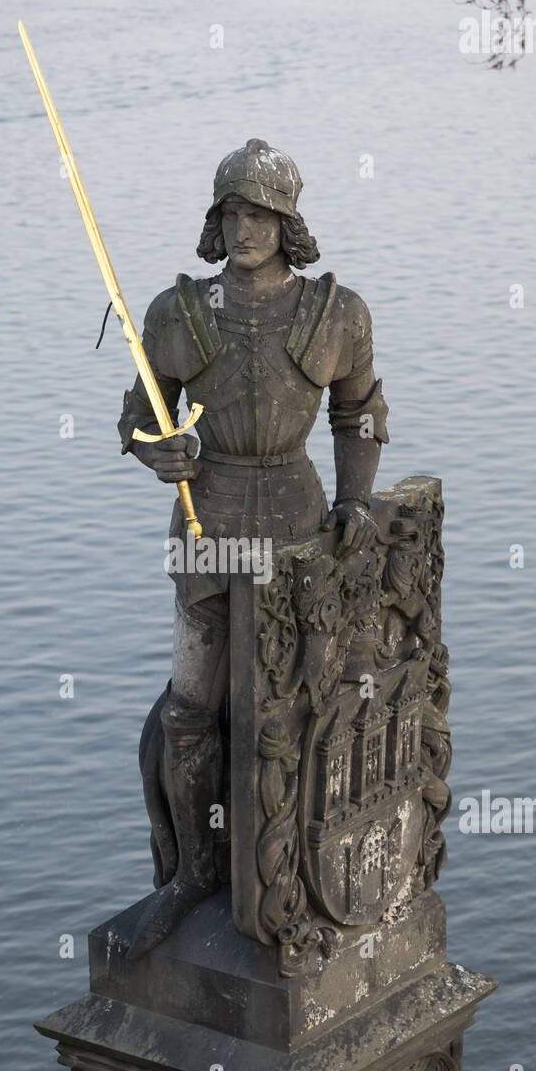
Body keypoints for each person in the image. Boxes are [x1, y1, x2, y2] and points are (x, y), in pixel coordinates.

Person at [118, 139, 389, 958]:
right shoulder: (180, 313)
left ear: (288, 223)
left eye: (260, 215)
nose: (245, 228)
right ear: (216, 219)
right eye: (232, 213)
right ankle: (193, 873)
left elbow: (360, 414)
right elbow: (138, 414)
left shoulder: (335, 313)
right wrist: (155, 450)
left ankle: (289, 875)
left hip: (300, 530)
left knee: (292, 712)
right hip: (208, 529)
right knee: (193, 713)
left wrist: (357, 503)